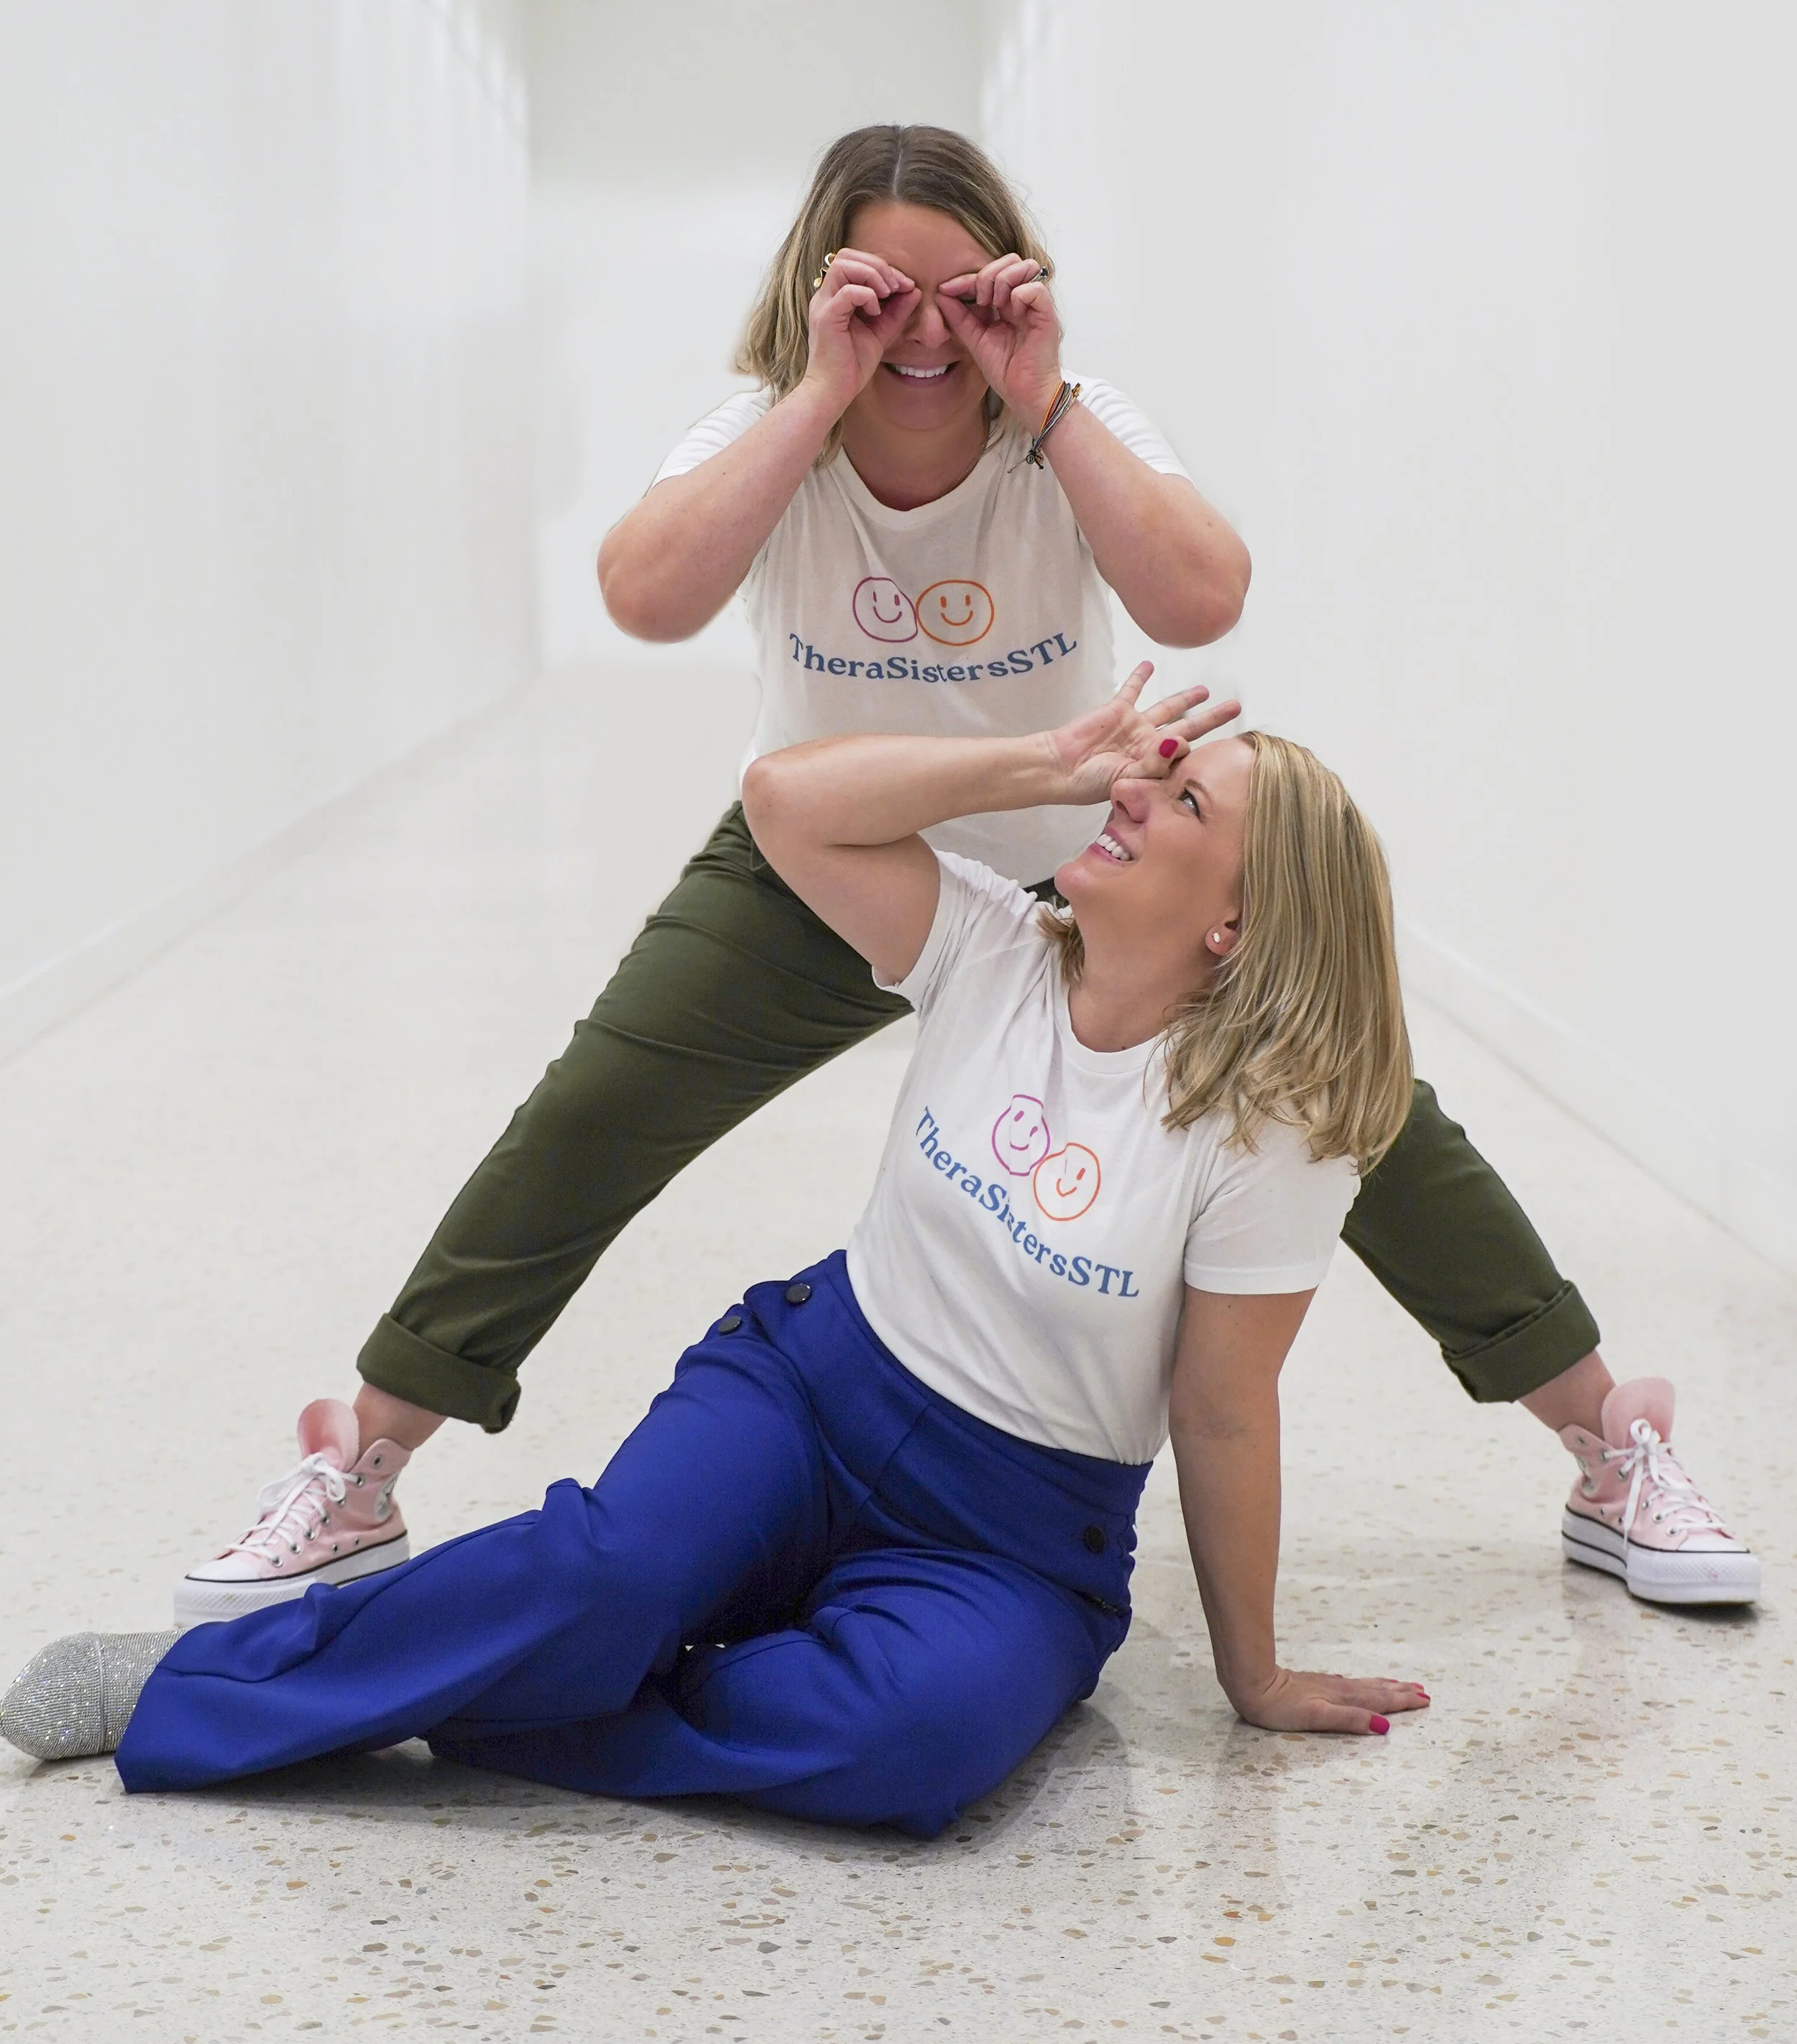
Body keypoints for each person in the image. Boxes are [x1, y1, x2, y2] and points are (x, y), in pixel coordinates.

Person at [170, 124, 1752, 1623]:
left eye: (959, 290)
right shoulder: (764, 428)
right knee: (590, 1115)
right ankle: (361, 1464)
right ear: (819, 288)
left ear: (1015, 283)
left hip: (1089, 857)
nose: (924, 331)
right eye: (883, 293)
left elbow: (1201, 600)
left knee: (1361, 1104)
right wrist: (818, 390)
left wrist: (1041, 395)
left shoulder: (1072, 421)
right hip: (826, 853)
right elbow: (644, 598)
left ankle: (1608, 1441)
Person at [5, 675, 1443, 1820]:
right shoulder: (993, 946)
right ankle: (211, 1680)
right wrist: (1041, 762)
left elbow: (1220, 1409)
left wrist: (1252, 1673)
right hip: (809, 1391)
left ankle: (456, 1671)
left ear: (1236, 921)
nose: (1133, 787)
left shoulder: (1275, 1133)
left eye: (1180, 798)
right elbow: (784, 802)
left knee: (917, 1746)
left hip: (1009, 1533)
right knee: (605, 1577)